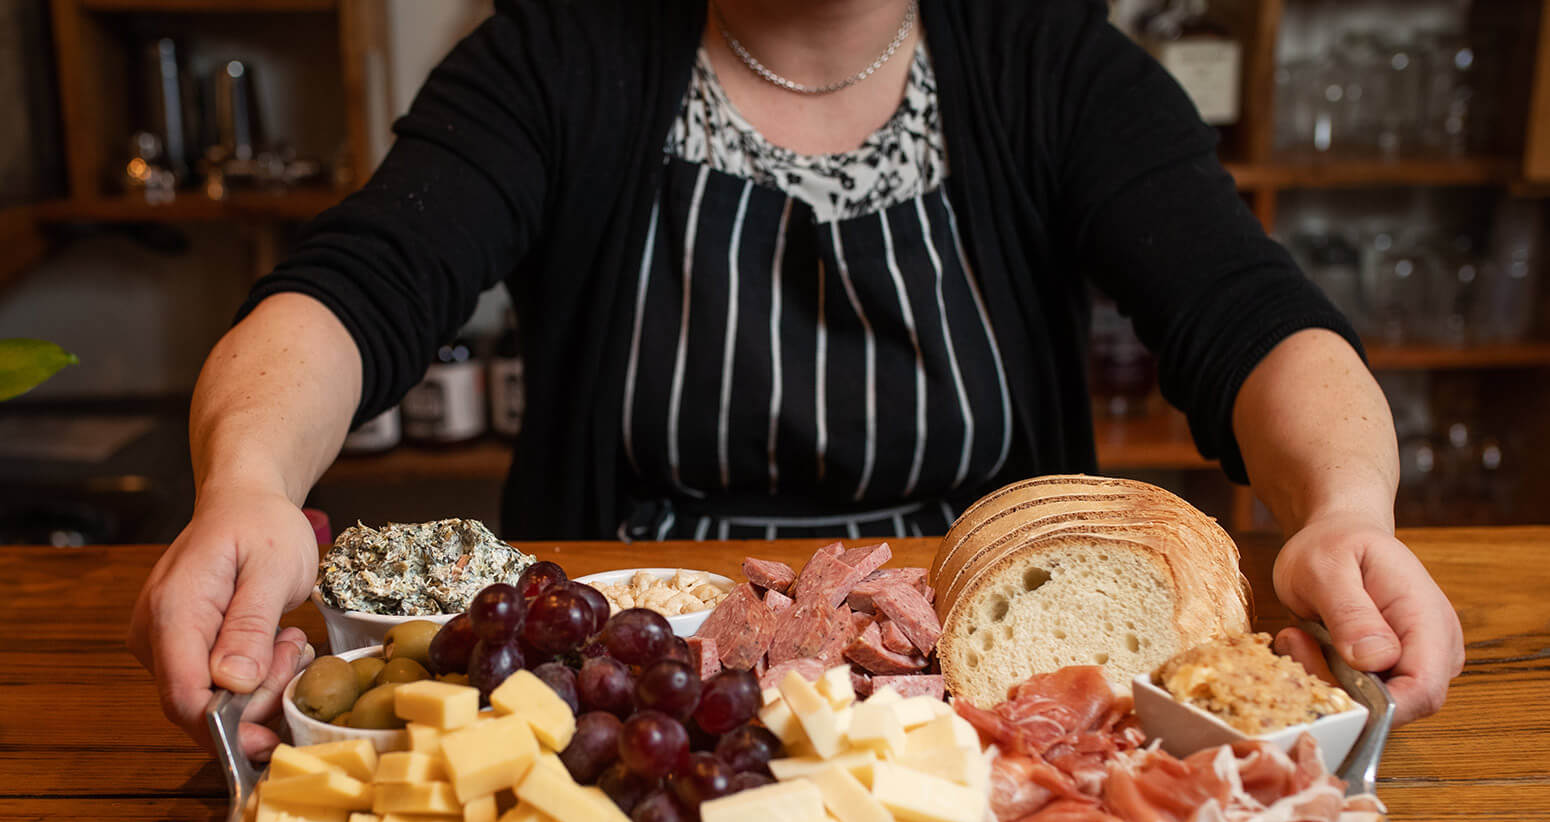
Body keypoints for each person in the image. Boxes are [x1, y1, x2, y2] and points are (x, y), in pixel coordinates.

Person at [128, 0, 1463, 759]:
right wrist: (245, 481)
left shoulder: (1051, 65)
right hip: (638, 682)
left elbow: (1247, 312)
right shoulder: (554, 54)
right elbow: (355, 289)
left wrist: (1344, 508)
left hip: (977, 702)